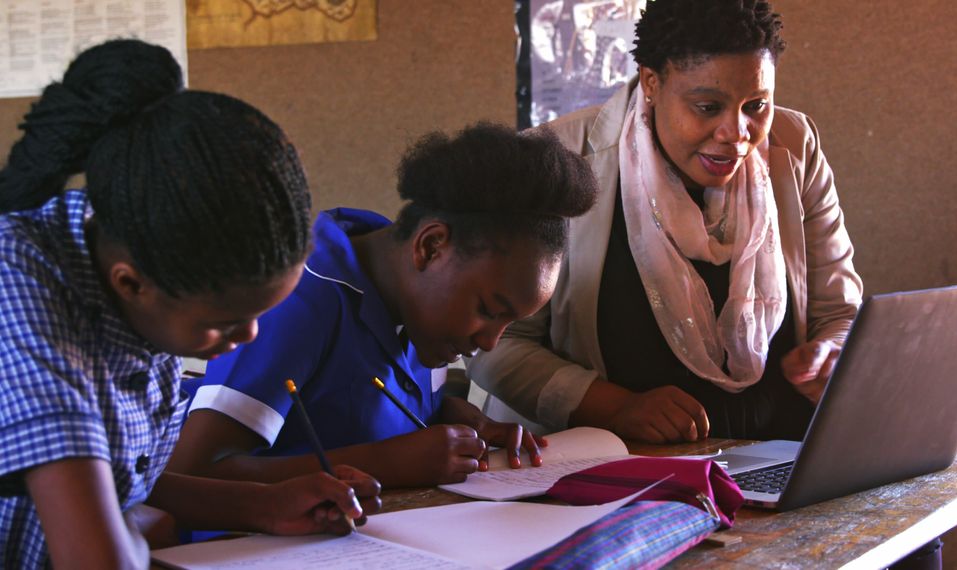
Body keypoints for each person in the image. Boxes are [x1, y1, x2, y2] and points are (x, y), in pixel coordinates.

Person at [0, 39, 380, 569]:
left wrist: (263, 505)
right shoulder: (21, 292)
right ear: (131, 283)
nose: (249, 335)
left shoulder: (135, 239)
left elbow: (119, 480)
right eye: (223, 323)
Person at [468, 0, 864, 444]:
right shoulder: (554, 160)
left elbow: (839, 313)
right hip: (611, 466)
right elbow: (495, 344)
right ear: (651, 82)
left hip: (777, 453)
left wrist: (831, 353)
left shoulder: (794, 147)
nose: (737, 133)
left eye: (756, 105)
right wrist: (616, 406)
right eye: (708, 107)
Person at [166, 123, 598, 488]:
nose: (489, 342)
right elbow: (192, 475)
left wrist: (451, 420)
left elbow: (341, 404)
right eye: (488, 310)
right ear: (431, 248)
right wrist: (388, 463)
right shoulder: (300, 300)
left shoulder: (413, 308)